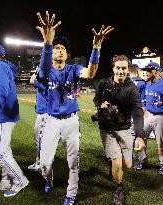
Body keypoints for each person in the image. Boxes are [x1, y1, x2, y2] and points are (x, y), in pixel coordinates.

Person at [36, 11, 114, 205]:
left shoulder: (73, 69)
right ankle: (49, 178)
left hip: (71, 121)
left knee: (72, 161)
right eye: (56, 48)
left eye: (62, 48)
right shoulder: (45, 70)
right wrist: (47, 42)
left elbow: (90, 73)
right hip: (51, 121)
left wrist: (96, 46)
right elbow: (43, 71)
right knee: (45, 164)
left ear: (66, 53)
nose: (60, 50)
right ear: (51, 52)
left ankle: (71, 194)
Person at [93, 55, 146, 205]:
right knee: (117, 163)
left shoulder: (132, 89)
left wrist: (140, 136)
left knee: (127, 165)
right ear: (113, 68)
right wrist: (100, 105)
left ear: (128, 70)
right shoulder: (104, 83)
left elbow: (137, 112)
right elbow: (96, 99)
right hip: (106, 128)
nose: (121, 71)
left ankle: (113, 162)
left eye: (124, 68)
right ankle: (119, 188)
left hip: (124, 128)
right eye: (118, 68)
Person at [0, 42, 29, 197]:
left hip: (1, 117)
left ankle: (20, 180)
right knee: (4, 151)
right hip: (4, 116)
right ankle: (5, 181)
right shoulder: (2, 66)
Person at [133, 61, 163, 174]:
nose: (147, 73)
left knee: (160, 142)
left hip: (160, 116)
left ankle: (162, 164)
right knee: (140, 138)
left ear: (156, 71)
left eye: (149, 71)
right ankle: (143, 160)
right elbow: (145, 102)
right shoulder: (147, 84)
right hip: (148, 115)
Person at [28, 72, 48, 171]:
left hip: (45, 114)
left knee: (39, 139)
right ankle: (43, 161)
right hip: (47, 113)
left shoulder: (45, 83)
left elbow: (31, 80)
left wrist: (36, 72)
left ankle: (40, 163)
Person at [128, 64, 146, 161]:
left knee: (130, 134)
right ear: (137, 71)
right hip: (138, 111)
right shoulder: (142, 83)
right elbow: (143, 100)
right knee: (139, 133)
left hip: (128, 111)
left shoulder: (126, 82)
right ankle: (141, 157)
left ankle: (131, 155)